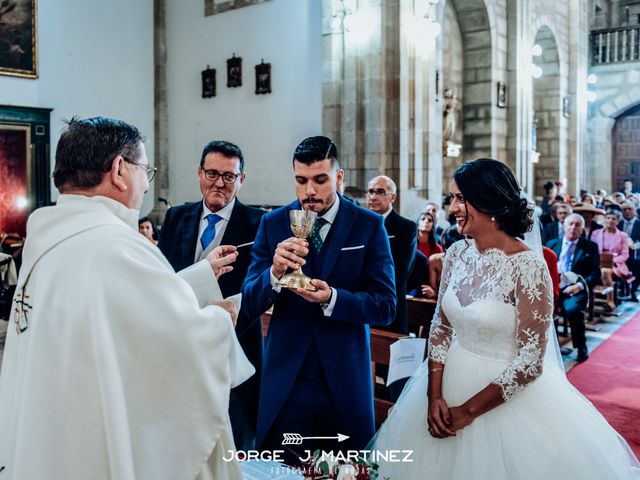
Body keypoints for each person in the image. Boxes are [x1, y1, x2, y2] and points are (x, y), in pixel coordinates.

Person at [0, 117, 254, 480]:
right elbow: (178, 340)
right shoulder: (116, 246)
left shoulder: (49, 241)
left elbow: (120, 312)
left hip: (53, 434)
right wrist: (215, 318)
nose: (145, 188)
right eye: (145, 171)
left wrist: (200, 277)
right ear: (120, 170)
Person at [371, 159, 639, 479]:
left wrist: (467, 412)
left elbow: (530, 360)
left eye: (460, 198)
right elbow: (441, 327)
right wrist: (434, 395)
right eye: (453, 198)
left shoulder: (528, 266)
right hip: (444, 380)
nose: (453, 207)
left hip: (503, 398)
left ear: (487, 202)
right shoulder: (457, 254)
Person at [241, 136, 396, 465]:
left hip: (343, 378)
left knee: (345, 471)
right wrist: (273, 273)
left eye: (320, 180)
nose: (309, 191)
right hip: (286, 378)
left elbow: (385, 305)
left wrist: (333, 299)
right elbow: (248, 304)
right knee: (280, 471)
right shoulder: (273, 224)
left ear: (339, 178)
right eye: (301, 180)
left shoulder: (368, 226)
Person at [158, 140, 265, 451]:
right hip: (183, 343)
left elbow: (260, 286)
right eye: (212, 173)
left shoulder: (260, 224)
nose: (219, 183)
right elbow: (165, 279)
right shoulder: (176, 217)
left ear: (241, 179)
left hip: (236, 342)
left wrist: (230, 311)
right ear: (199, 173)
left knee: (236, 442)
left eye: (229, 176)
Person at [366, 174, 416, 334]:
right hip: (361, 305)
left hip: (389, 304)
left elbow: (400, 272)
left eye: (380, 192)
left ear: (392, 197)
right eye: (370, 191)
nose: (373, 196)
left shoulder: (406, 227)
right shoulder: (359, 224)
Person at [591, 209, 635, 310]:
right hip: (598, 262)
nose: (610, 220)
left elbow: (625, 255)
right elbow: (592, 250)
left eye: (614, 219)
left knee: (605, 271)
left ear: (618, 222)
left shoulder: (623, 236)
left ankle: (610, 301)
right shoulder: (595, 233)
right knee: (598, 270)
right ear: (604, 220)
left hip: (616, 265)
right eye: (608, 218)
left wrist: (611, 260)